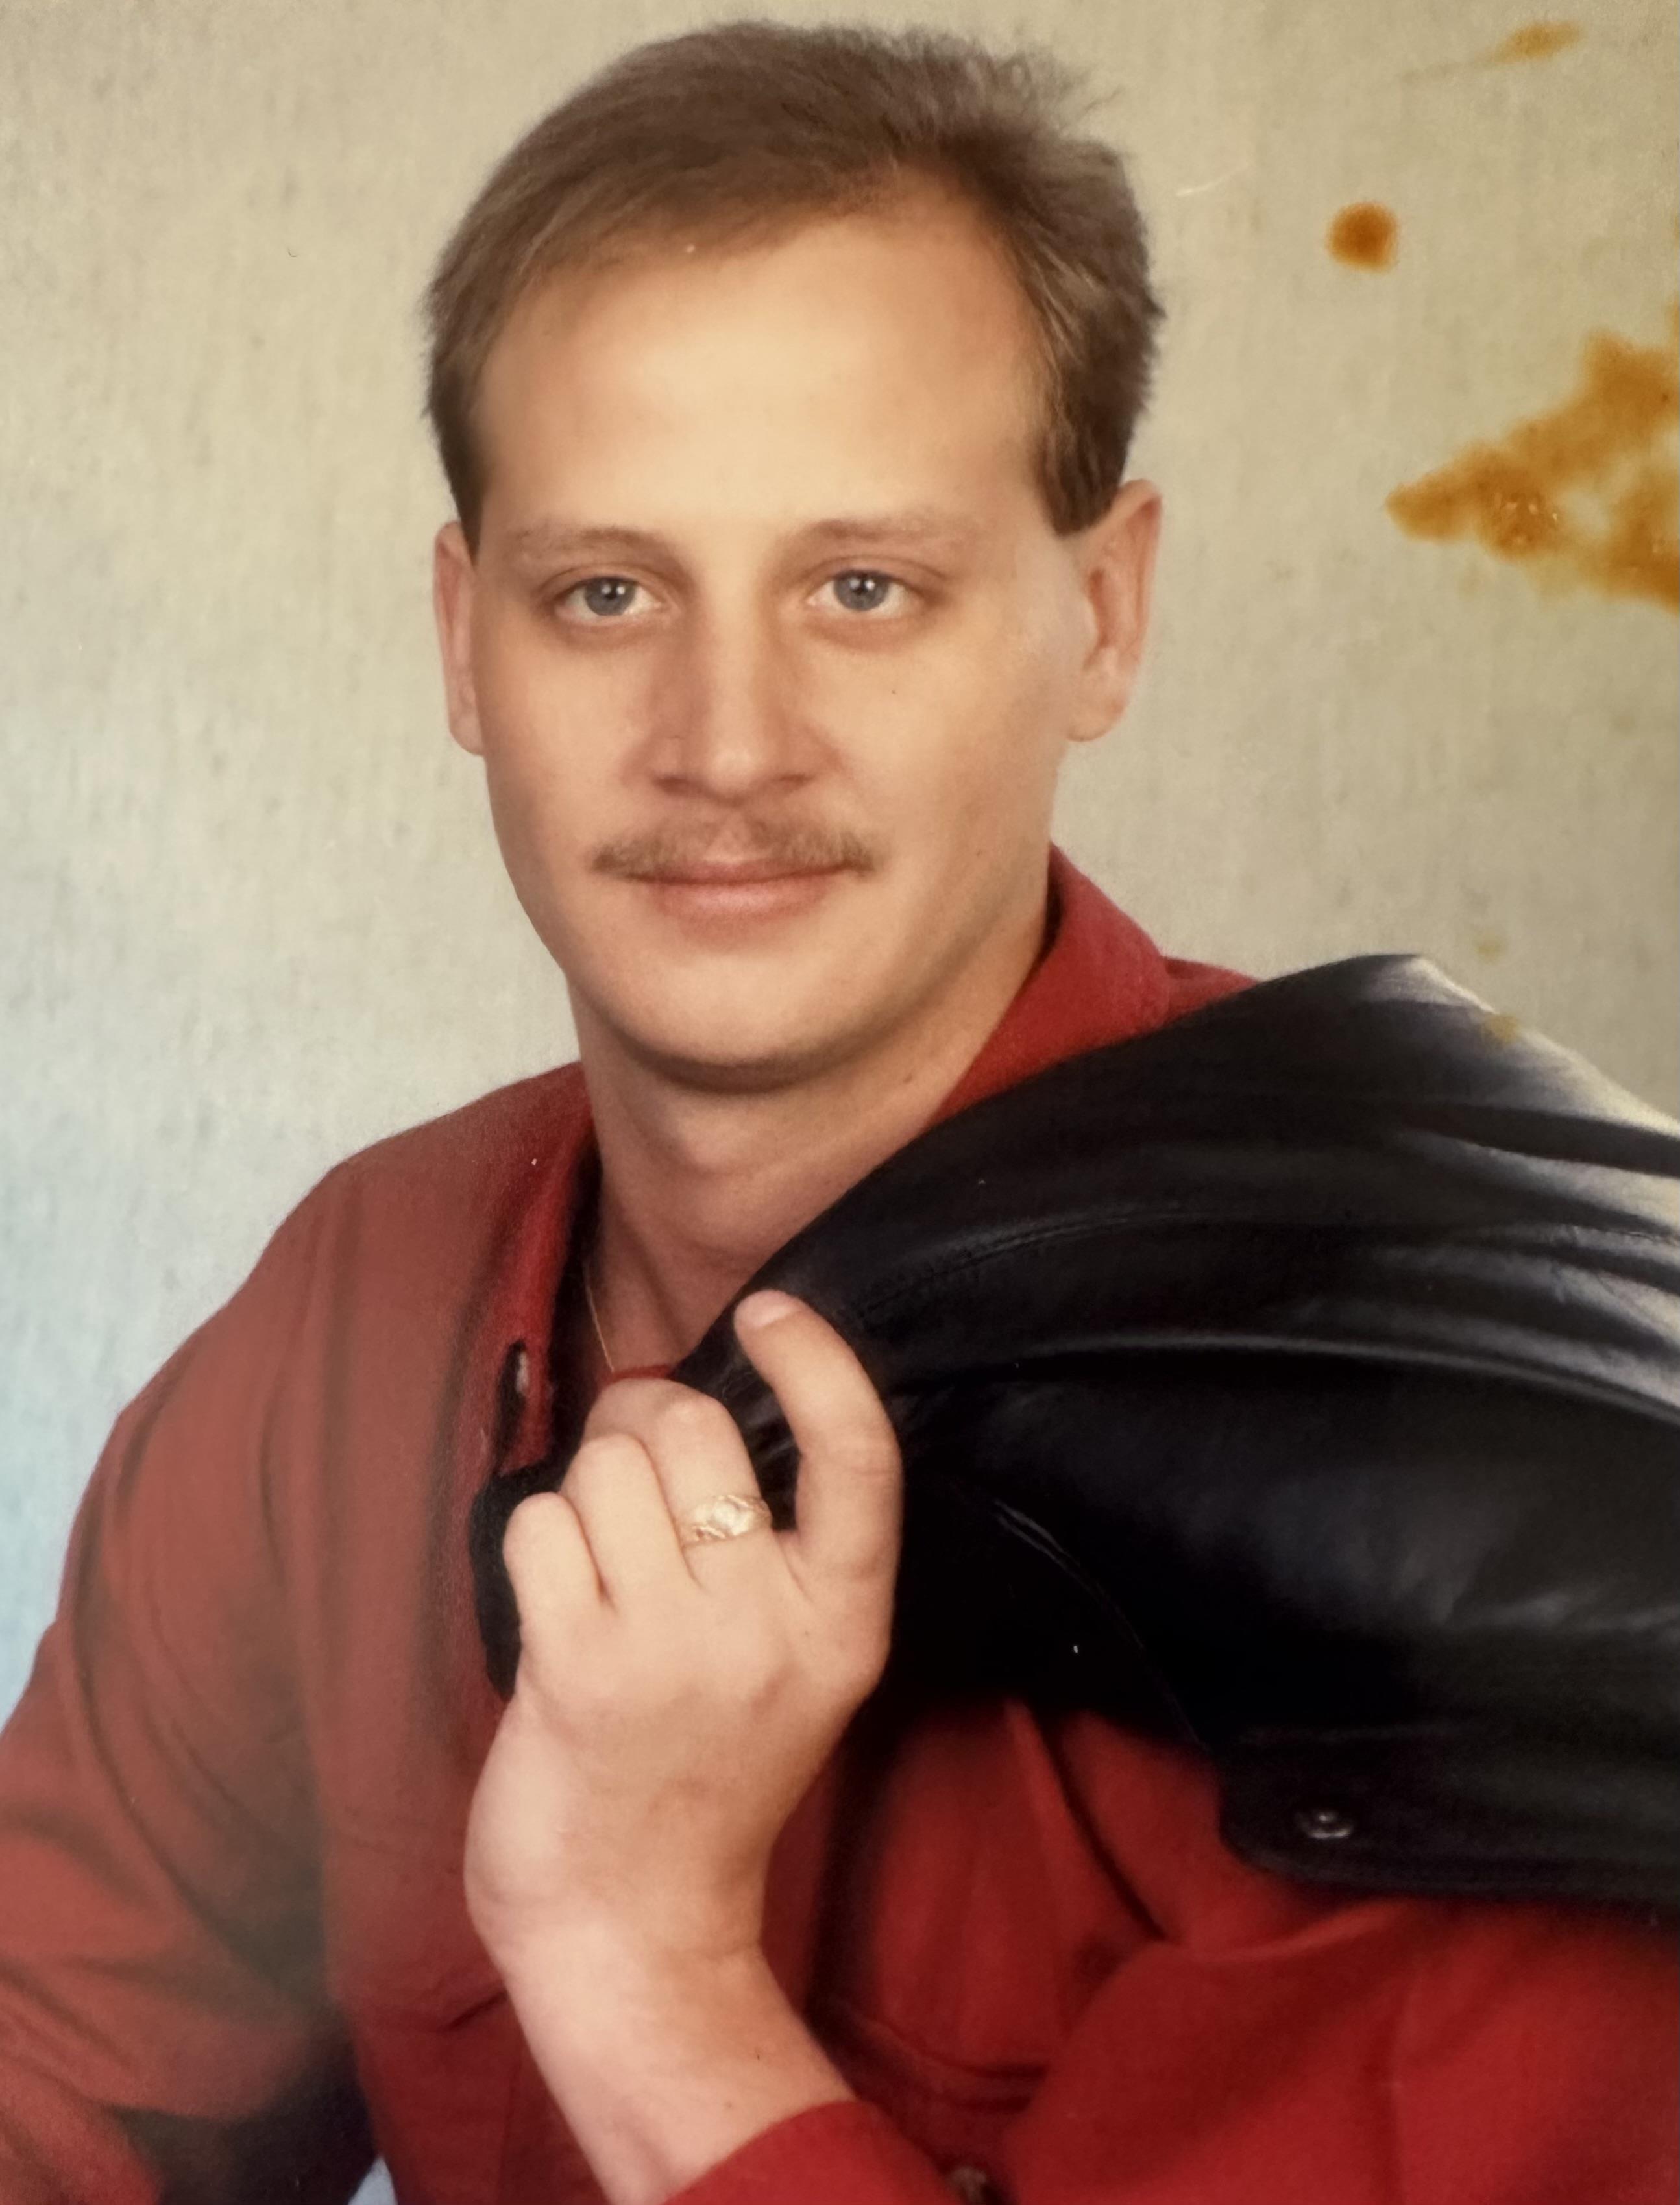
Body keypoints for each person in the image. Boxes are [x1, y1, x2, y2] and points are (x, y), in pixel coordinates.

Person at [0, 21, 1672, 2205]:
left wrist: (640, 1961)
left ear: (1103, 617)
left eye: (862, 588)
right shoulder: (355, 1314)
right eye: (607, 593)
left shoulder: (1485, 1523)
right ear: (466, 643)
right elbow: (57, 2082)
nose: (725, 742)